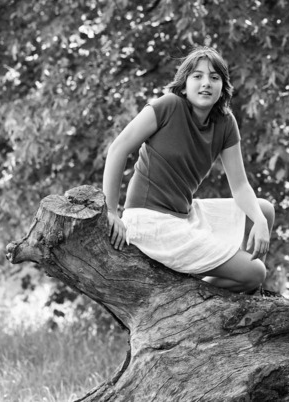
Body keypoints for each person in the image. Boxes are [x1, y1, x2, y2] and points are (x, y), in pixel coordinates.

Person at [102, 47, 275, 293]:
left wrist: (258, 221)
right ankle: (197, 297)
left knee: (263, 211)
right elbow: (118, 149)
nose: (206, 83)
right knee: (256, 272)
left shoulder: (225, 123)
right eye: (198, 76)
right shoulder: (168, 106)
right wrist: (110, 210)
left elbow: (240, 186)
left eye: (214, 78)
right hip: (151, 222)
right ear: (184, 85)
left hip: (185, 216)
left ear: (222, 88)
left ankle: (234, 289)